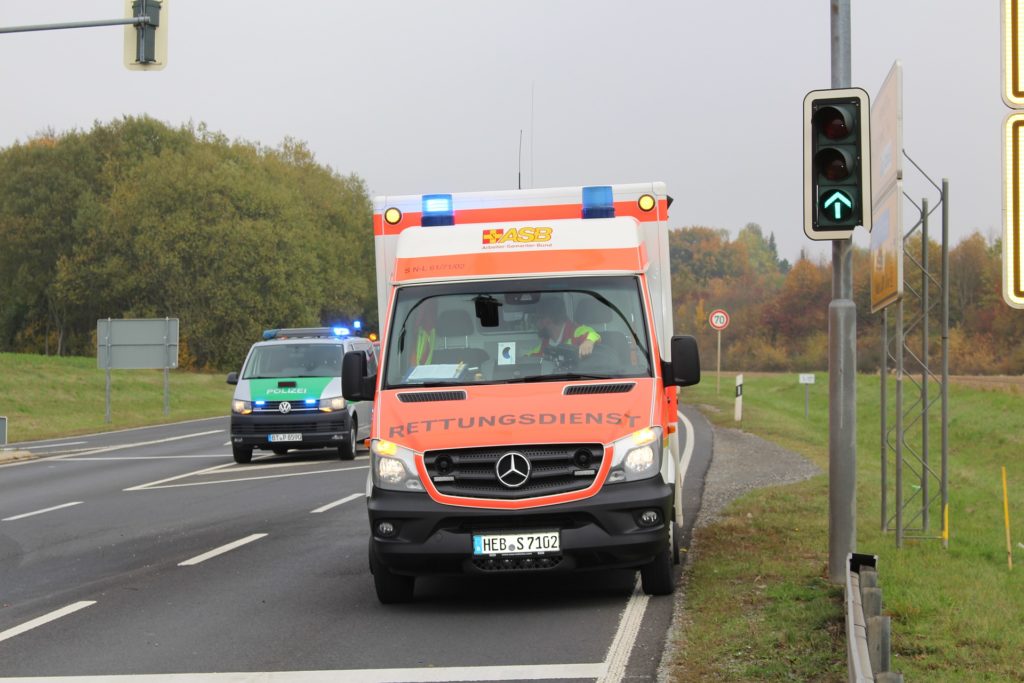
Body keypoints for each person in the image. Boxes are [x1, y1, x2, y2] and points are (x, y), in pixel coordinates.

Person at [528, 297, 601, 359]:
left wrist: (588, 342)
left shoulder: (574, 331)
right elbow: (528, 358)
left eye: (537, 318)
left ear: (547, 320)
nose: (535, 324)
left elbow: (592, 333)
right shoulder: (544, 345)